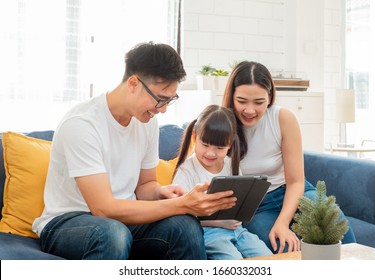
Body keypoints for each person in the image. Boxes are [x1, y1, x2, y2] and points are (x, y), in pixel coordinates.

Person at [32, 42, 237, 260]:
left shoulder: (147, 122)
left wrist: (161, 192)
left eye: (170, 100)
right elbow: (104, 209)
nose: (164, 109)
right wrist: (180, 204)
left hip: (123, 223)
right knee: (111, 233)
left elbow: (145, 186)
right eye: (160, 99)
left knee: (184, 225)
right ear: (133, 83)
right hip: (68, 222)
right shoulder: (83, 124)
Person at [221, 61, 356, 254]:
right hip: (258, 206)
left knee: (331, 220)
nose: (250, 110)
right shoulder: (222, 123)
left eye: (259, 102)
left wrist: (283, 223)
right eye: (242, 101)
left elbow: (295, 181)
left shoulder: (283, 118)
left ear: (269, 97)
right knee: (279, 244)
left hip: (294, 192)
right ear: (231, 97)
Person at [172, 104, 272, 259]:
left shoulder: (230, 164)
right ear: (194, 137)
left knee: (268, 258)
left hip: (238, 230)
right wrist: (219, 223)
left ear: (230, 144)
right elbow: (181, 216)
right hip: (209, 233)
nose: (211, 153)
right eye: (205, 145)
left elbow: (239, 202)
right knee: (232, 260)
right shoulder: (187, 171)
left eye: (219, 148)